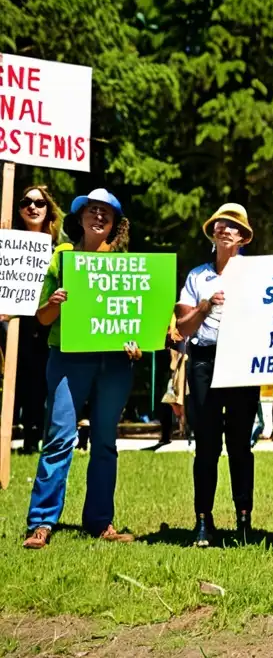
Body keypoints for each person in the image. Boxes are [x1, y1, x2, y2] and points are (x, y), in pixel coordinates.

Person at [23, 189, 137, 550]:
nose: (99, 217)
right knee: (59, 437)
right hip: (68, 358)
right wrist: (55, 302)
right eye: (92, 211)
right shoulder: (63, 257)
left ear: (116, 224)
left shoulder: (127, 265)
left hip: (115, 362)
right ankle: (41, 522)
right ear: (81, 218)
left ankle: (101, 522)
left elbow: (139, 319)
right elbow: (40, 317)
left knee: (105, 442)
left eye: (106, 212)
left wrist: (137, 344)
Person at [175, 203, 259, 547]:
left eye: (233, 225)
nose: (225, 228)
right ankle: (203, 521)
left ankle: (243, 520)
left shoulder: (257, 274)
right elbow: (183, 326)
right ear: (212, 233)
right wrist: (206, 305)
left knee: (240, 445)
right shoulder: (197, 276)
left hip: (242, 361)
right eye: (220, 224)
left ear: (243, 237)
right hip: (204, 361)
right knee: (206, 445)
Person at [9, 186, 63, 453]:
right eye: (26, 202)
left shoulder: (59, 251)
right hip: (14, 321)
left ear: (48, 210)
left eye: (39, 203)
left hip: (48, 321)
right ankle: (18, 433)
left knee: (44, 379)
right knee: (18, 378)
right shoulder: (6, 245)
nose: (32, 207)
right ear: (19, 209)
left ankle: (38, 435)